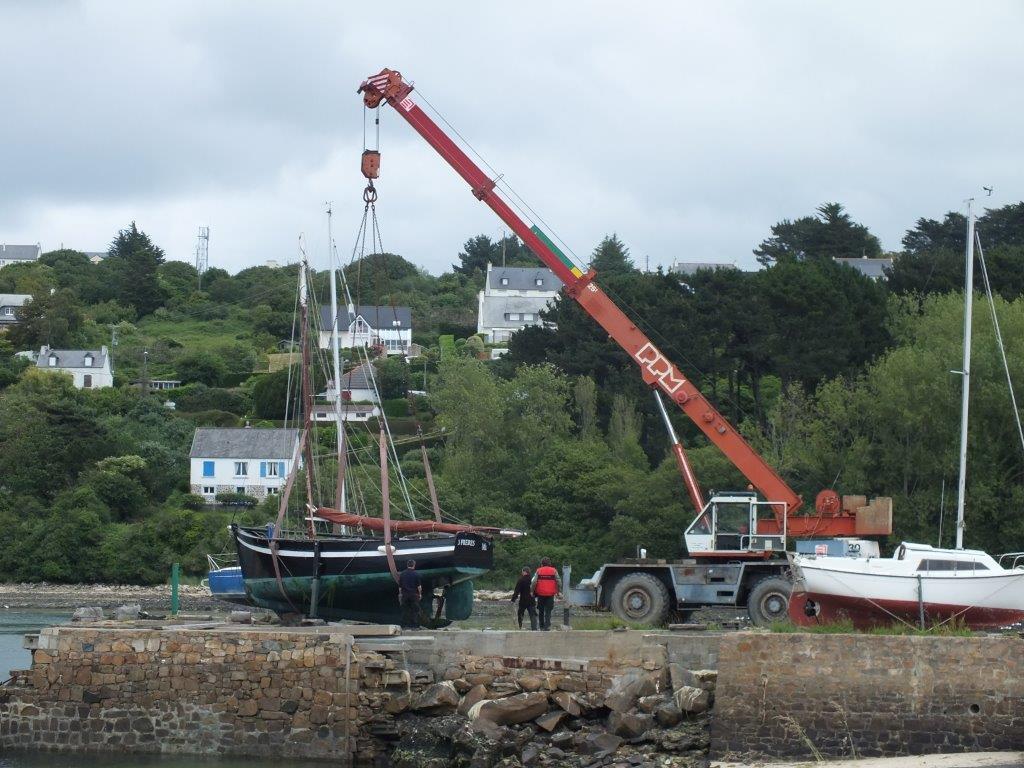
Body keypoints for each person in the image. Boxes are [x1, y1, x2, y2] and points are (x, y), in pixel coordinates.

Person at [531, 557, 561, 631]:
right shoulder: (554, 570)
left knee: (541, 610)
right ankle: (547, 626)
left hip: (540, 594)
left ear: (542, 564)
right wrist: (558, 591)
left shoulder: (538, 570)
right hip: (550, 594)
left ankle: (541, 626)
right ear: (549, 563)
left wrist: (532, 591)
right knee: (548, 611)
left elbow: (534, 582)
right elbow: (559, 582)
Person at [397, 560, 422, 629]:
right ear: (414, 565)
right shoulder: (416, 574)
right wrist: (420, 594)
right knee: (415, 611)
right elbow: (419, 587)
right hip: (414, 595)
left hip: (405, 595)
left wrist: (400, 595)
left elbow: (400, 587)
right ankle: (414, 626)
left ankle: (403, 626)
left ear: (407, 565)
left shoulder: (402, 574)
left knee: (405, 611)